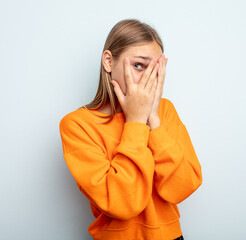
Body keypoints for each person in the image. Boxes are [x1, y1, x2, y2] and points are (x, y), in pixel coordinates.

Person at [59, 18, 202, 240]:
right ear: (108, 61)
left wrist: (152, 118)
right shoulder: (77, 125)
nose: (147, 78)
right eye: (138, 65)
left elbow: (182, 188)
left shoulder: (164, 111)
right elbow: (123, 203)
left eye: (154, 69)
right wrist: (135, 121)